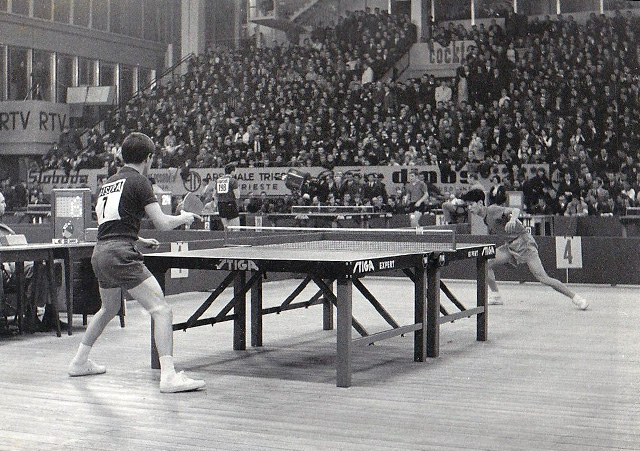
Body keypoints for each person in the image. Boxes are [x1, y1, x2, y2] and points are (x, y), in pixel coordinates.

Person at [68, 132, 205, 394]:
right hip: (120, 254)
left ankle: (79, 361)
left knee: (108, 309)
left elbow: (110, 224)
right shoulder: (140, 181)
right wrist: (183, 217)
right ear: (149, 157)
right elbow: (163, 223)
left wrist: (137, 239)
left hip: (101, 253)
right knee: (161, 309)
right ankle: (169, 376)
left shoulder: (109, 183)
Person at [461, 188, 589, 310]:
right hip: (511, 246)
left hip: (524, 243)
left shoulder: (492, 210)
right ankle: (496, 296)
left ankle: (576, 298)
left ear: (480, 203)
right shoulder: (485, 219)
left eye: (471, 204)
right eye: (468, 205)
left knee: (543, 278)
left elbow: (515, 210)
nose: (469, 208)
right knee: (487, 263)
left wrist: (512, 220)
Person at [214, 163, 240, 229]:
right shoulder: (233, 180)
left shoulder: (218, 180)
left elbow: (215, 195)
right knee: (236, 228)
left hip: (221, 206)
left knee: (226, 228)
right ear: (232, 172)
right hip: (230, 204)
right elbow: (237, 195)